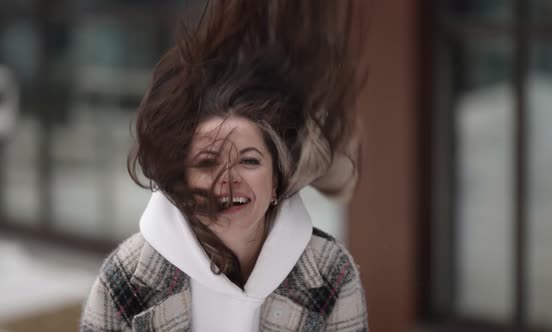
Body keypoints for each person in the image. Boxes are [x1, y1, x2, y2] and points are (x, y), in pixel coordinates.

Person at [80, 1, 367, 331]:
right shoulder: (126, 281)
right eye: (206, 162)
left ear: (276, 181)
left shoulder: (331, 274)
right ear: (181, 180)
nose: (228, 181)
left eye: (248, 160)